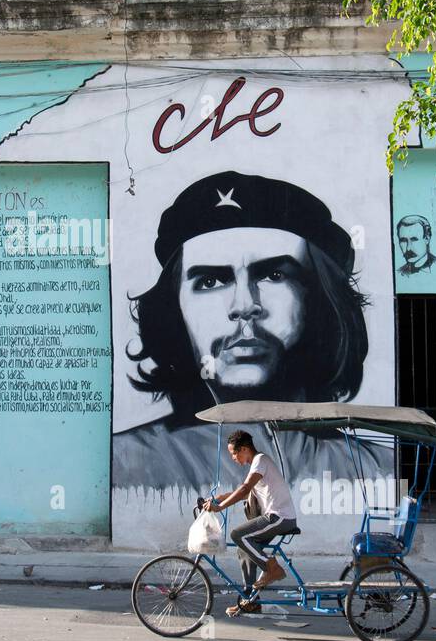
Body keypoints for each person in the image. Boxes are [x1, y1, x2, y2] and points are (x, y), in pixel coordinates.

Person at [113, 171, 389, 494]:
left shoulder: (374, 470)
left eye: (273, 274)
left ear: (321, 298)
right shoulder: (126, 466)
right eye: (211, 281)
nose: (244, 305)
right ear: (174, 309)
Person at [202, 429, 298, 616]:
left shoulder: (260, 460)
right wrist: (220, 499)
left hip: (280, 517)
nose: (233, 458)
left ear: (245, 449)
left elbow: (245, 488)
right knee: (243, 549)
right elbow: (246, 493)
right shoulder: (257, 464)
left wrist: (220, 507)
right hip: (276, 517)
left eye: (234, 453)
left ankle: (272, 568)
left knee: (237, 535)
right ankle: (250, 600)